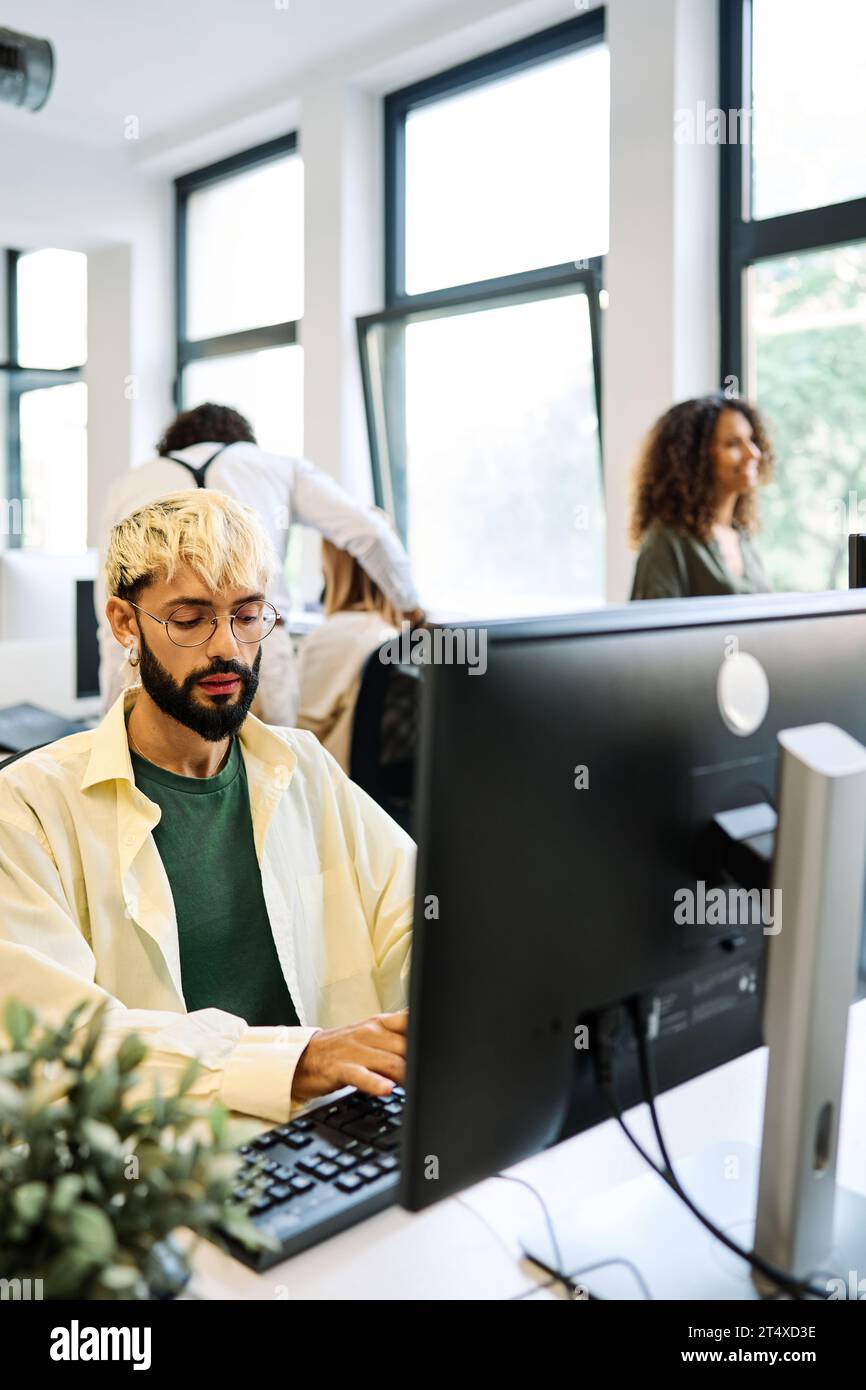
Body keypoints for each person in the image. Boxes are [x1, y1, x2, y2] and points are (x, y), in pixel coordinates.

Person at [0, 489, 414, 1124]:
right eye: (190, 619)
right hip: (169, 1171)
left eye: (246, 616)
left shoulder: (303, 769)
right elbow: (58, 1043)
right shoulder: (27, 808)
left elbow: (419, 921)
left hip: (329, 1134)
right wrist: (297, 1061)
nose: (226, 647)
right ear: (124, 623)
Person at [96, 403, 422, 725]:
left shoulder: (129, 484)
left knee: (131, 769)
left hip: (141, 654)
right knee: (271, 769)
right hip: (261, 651)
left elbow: (107, 594)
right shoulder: (277, 468)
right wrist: (411, 609)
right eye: (190, 617)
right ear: (243, 440)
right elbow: (371, 533)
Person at [629, 394, 774, 600]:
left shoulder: (742, 537)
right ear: (696, 458)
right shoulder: (667, 541)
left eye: (750, 440)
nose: (753, 454)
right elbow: (653, 629)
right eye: (733, 444)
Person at [297, 510, 402, 774]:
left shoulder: (336, 637)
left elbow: (292, 731)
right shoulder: (404, 635)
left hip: (330, 796)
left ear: (333, 567)